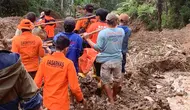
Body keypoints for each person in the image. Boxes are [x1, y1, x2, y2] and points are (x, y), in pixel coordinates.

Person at [34, 36, 86, 110]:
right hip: (61, 104)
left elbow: (36, 82)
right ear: (66, 48)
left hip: (48, 102)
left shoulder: (45, 60)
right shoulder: (68, 64)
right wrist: (80, 99)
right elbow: (74, 88)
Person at [84, 13, 125, 104]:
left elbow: (98, 48)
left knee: (105, 81)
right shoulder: (121, 31)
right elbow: (115, 29)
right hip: (117, 59)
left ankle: (110, 98)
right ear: (116, 22)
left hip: (105, 61)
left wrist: (88, 39)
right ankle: (114, 96)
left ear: (106, 21)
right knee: (117, 80)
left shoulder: (102, 33)